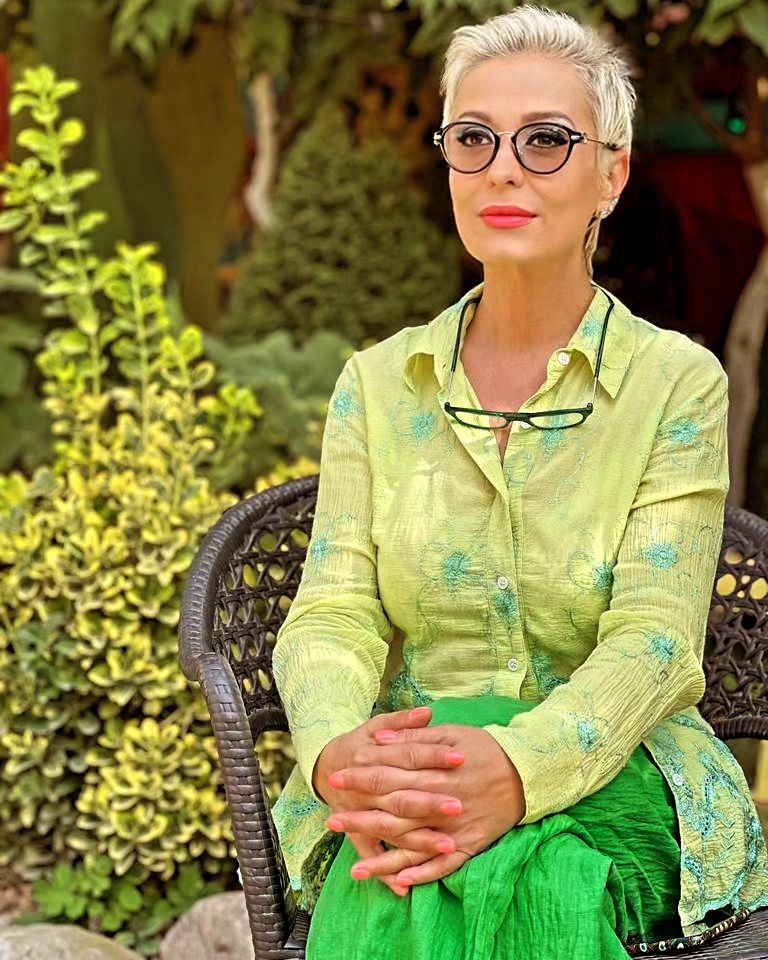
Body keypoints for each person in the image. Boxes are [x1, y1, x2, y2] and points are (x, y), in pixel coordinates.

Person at [271, 5, 768, 958]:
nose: (504, 168)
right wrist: (340, 753)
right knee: (442, 862)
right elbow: (332, 613)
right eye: (474, 138)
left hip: (620, 774)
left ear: (611, 175)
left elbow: (657, 641)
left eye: (546, 140)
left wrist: (515, 766)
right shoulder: (377, 386)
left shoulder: (675, 385)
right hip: (409, 775)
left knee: (492, 871)